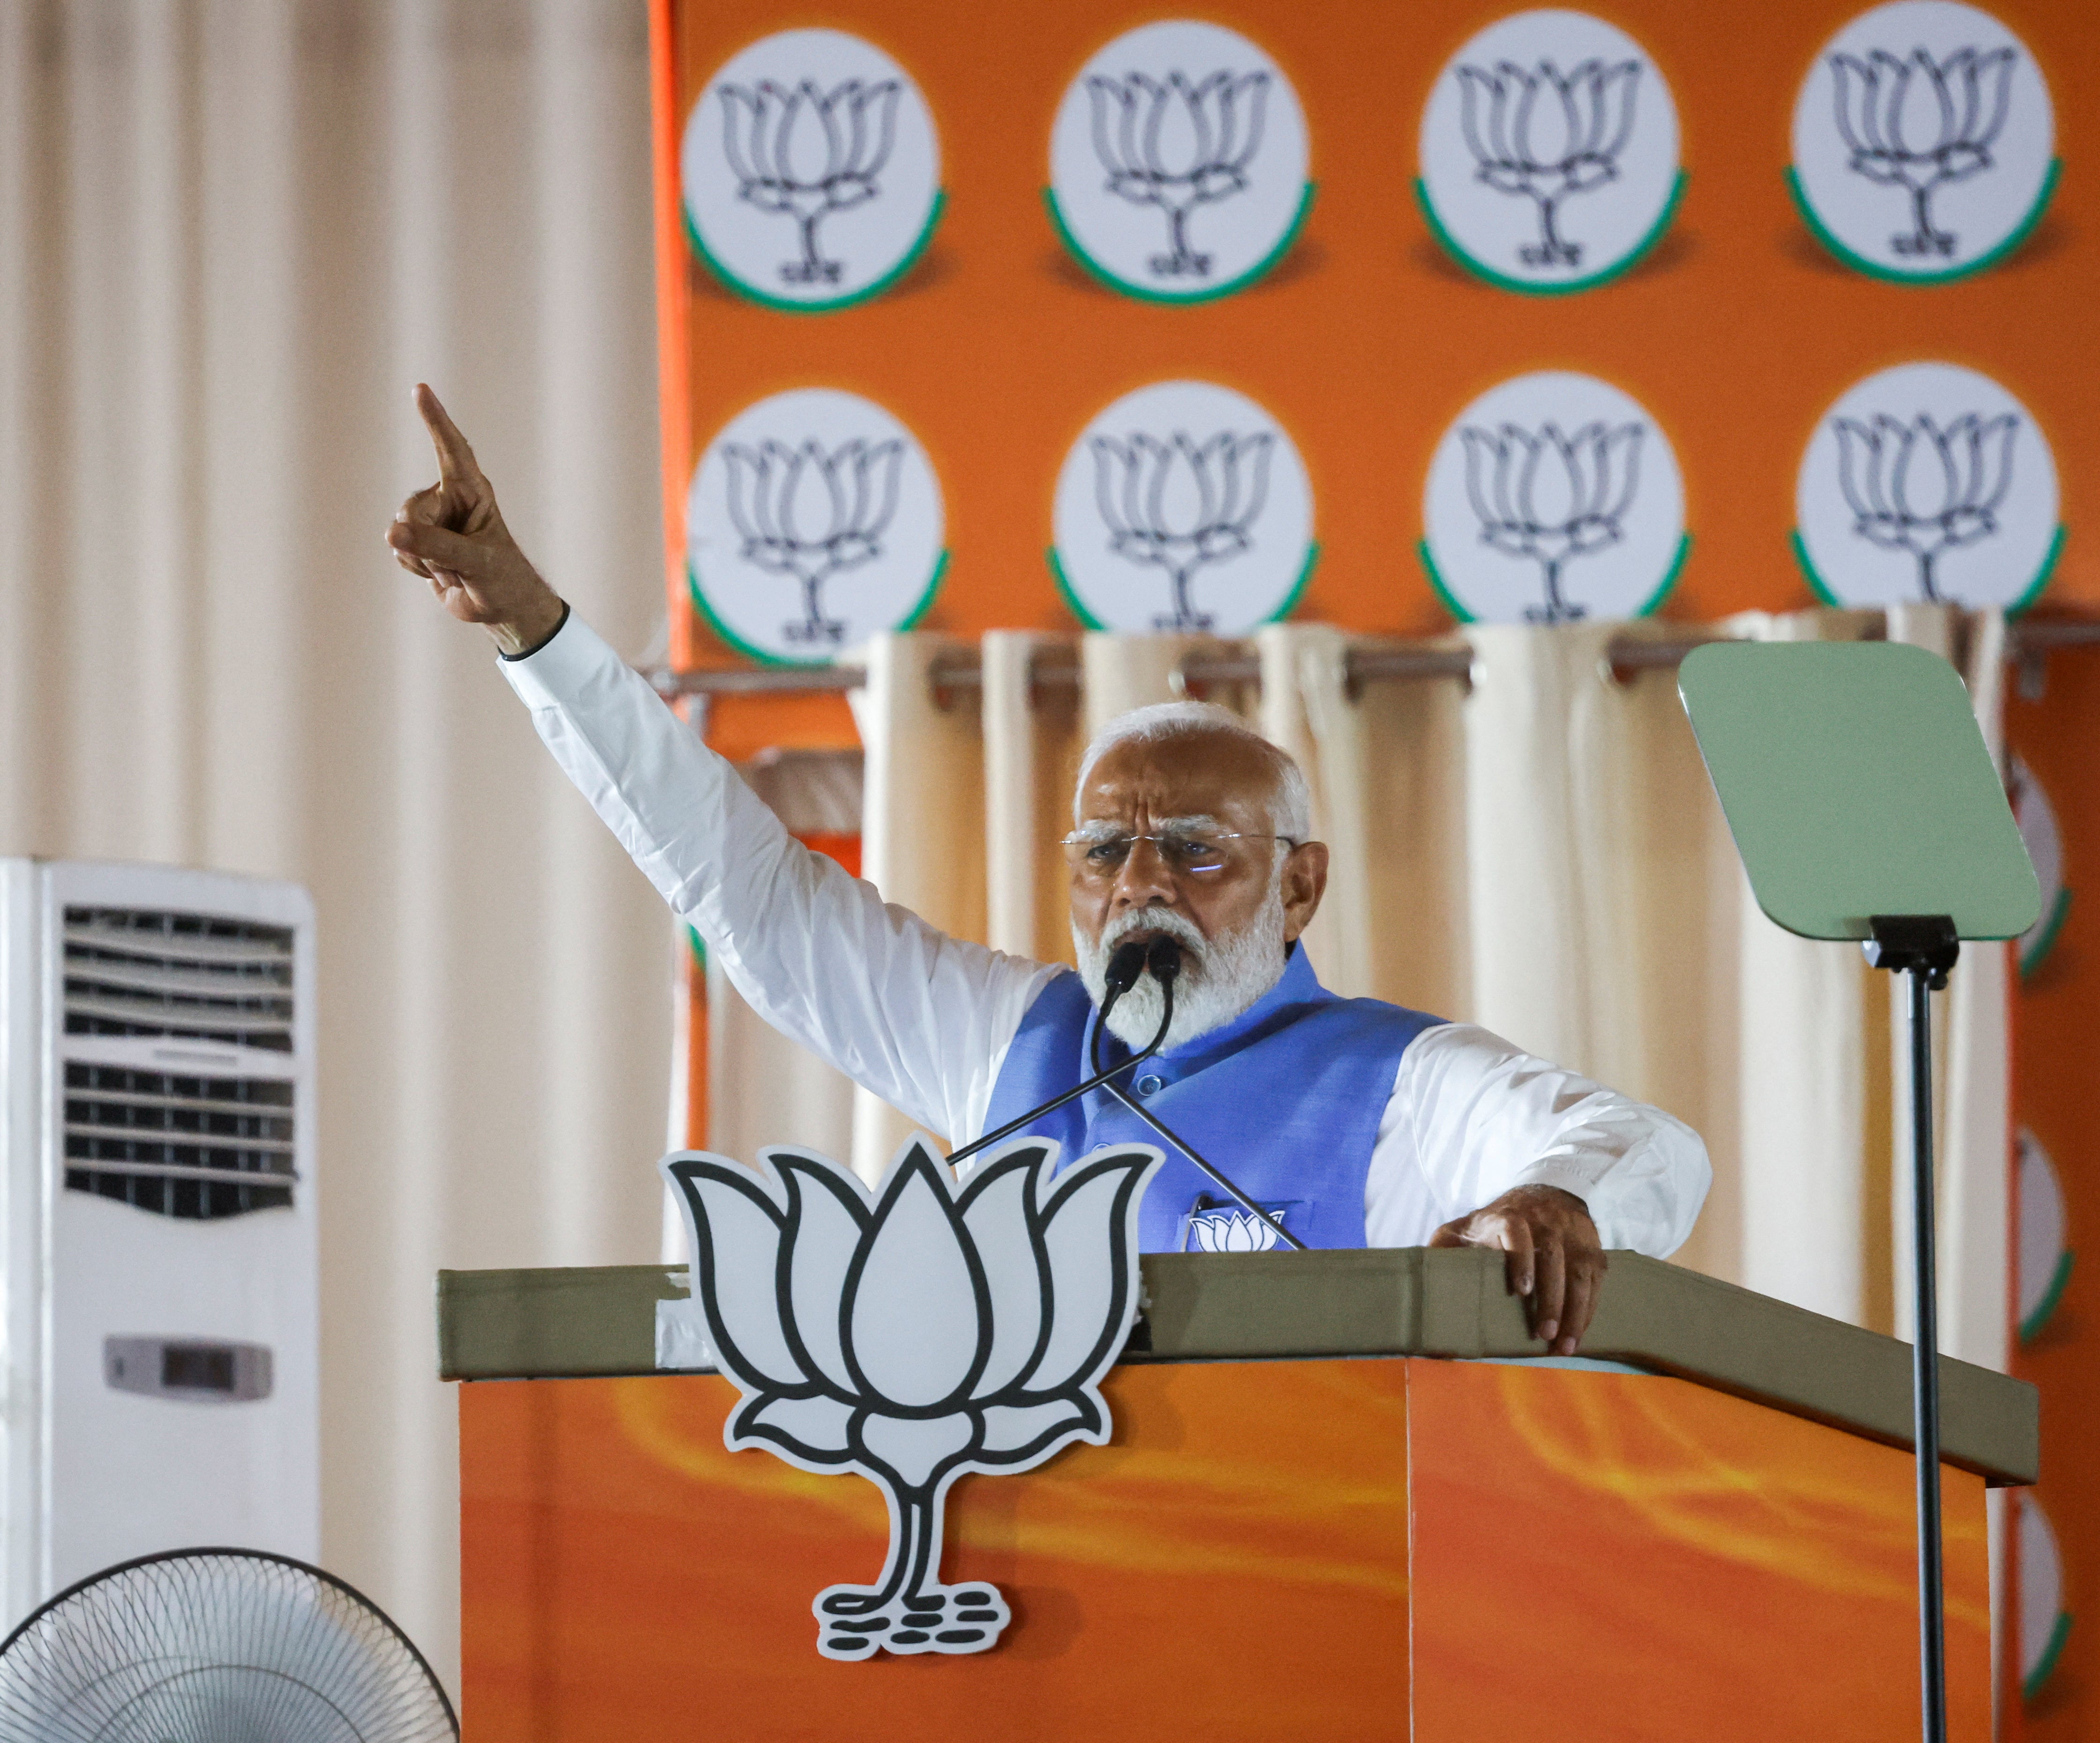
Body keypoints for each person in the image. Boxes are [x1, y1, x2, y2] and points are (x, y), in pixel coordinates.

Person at [387, 385, 1709, 1352]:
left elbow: (1643, 1151)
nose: (1141, 885)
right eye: (1104, 852)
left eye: (1194, 852)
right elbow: (750, 894)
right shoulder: (1011, 1047)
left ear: (1299, 887)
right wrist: (534, 631)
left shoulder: (1398, 1081)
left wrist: (1548, 1200)